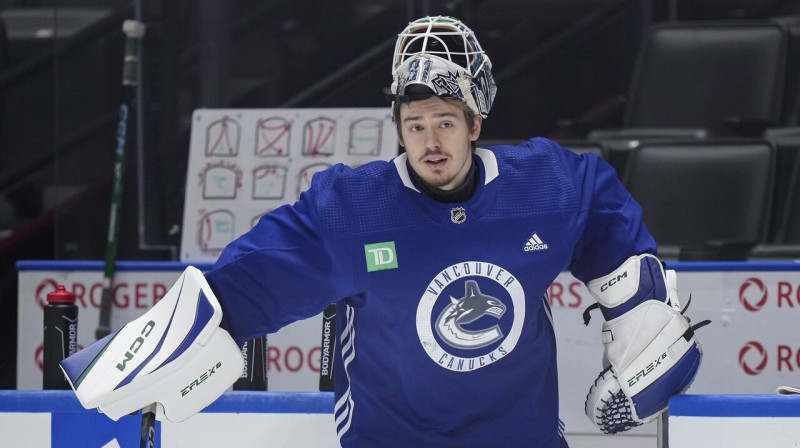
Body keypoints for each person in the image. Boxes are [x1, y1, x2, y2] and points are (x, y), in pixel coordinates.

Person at [61, 15, 705, 448]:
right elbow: (244, 285)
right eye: (416, 122)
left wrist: (640, 311)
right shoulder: (352, 210)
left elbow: (604, 217)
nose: (431, 140)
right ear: (397, 126)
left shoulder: (545, 187)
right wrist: (163, 343)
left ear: (476, 125)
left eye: (446, 122)